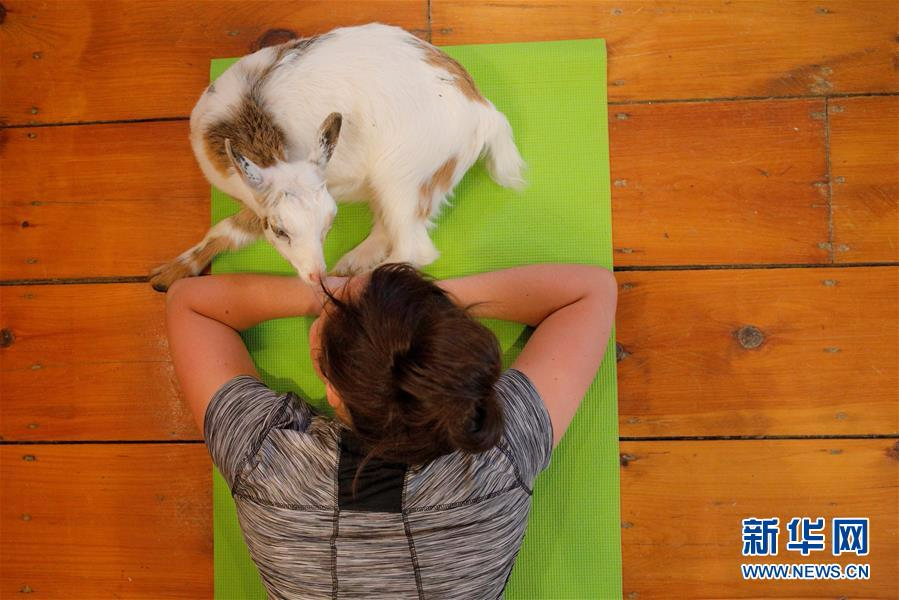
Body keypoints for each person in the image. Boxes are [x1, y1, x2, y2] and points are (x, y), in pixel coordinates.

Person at [164, 261, 618, 599]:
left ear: (335, 393)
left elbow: (190, 303)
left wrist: (330, 293)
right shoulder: (496, 453)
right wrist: (423, 309)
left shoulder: (265, 466)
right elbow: (590, 291)